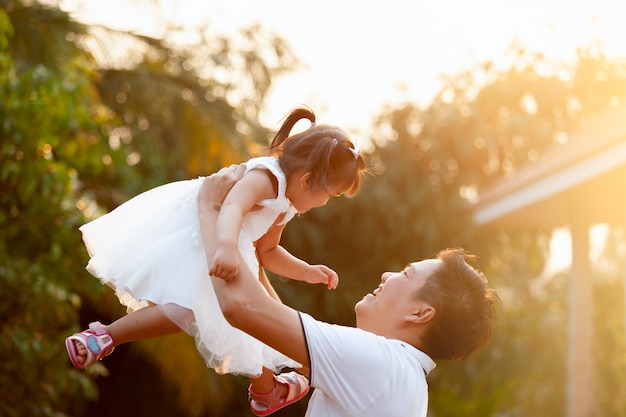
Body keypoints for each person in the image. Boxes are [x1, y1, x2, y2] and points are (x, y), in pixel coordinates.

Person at [65, 107, 368, 416]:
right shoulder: (267, 178)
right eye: (331, 195)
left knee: (188, 311)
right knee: (243, 314)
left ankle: (103, 337)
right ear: (307, 181)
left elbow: (268, 251)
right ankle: (267, 391)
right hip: (206, 232)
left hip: (227, 243)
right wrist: (224, 246)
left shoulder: (286, 204)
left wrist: (307, 271)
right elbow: (233, 207)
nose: (326, 203)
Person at [195, 164, 501, 416]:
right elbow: (279, 333)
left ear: (420, 313)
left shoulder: (382, 364)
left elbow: (242, 307)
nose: (387, 275)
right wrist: (255, 260)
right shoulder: (402, 380)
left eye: (406, 274)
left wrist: (210, 210)